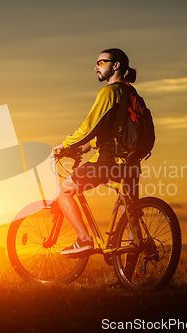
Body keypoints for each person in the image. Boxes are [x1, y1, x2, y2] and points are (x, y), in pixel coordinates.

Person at [54, 48, 140, 257]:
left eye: (101, 62)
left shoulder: (109, 92)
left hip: (108, 163)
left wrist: (64, 146)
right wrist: (84, 147)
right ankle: (132, 276)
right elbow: (112, 129)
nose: (96, 67)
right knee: (129, 217)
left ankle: (84, 239)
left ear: (116, 65)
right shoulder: (130, 92)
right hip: (131, 162)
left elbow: (89, 126)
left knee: (63, 192)